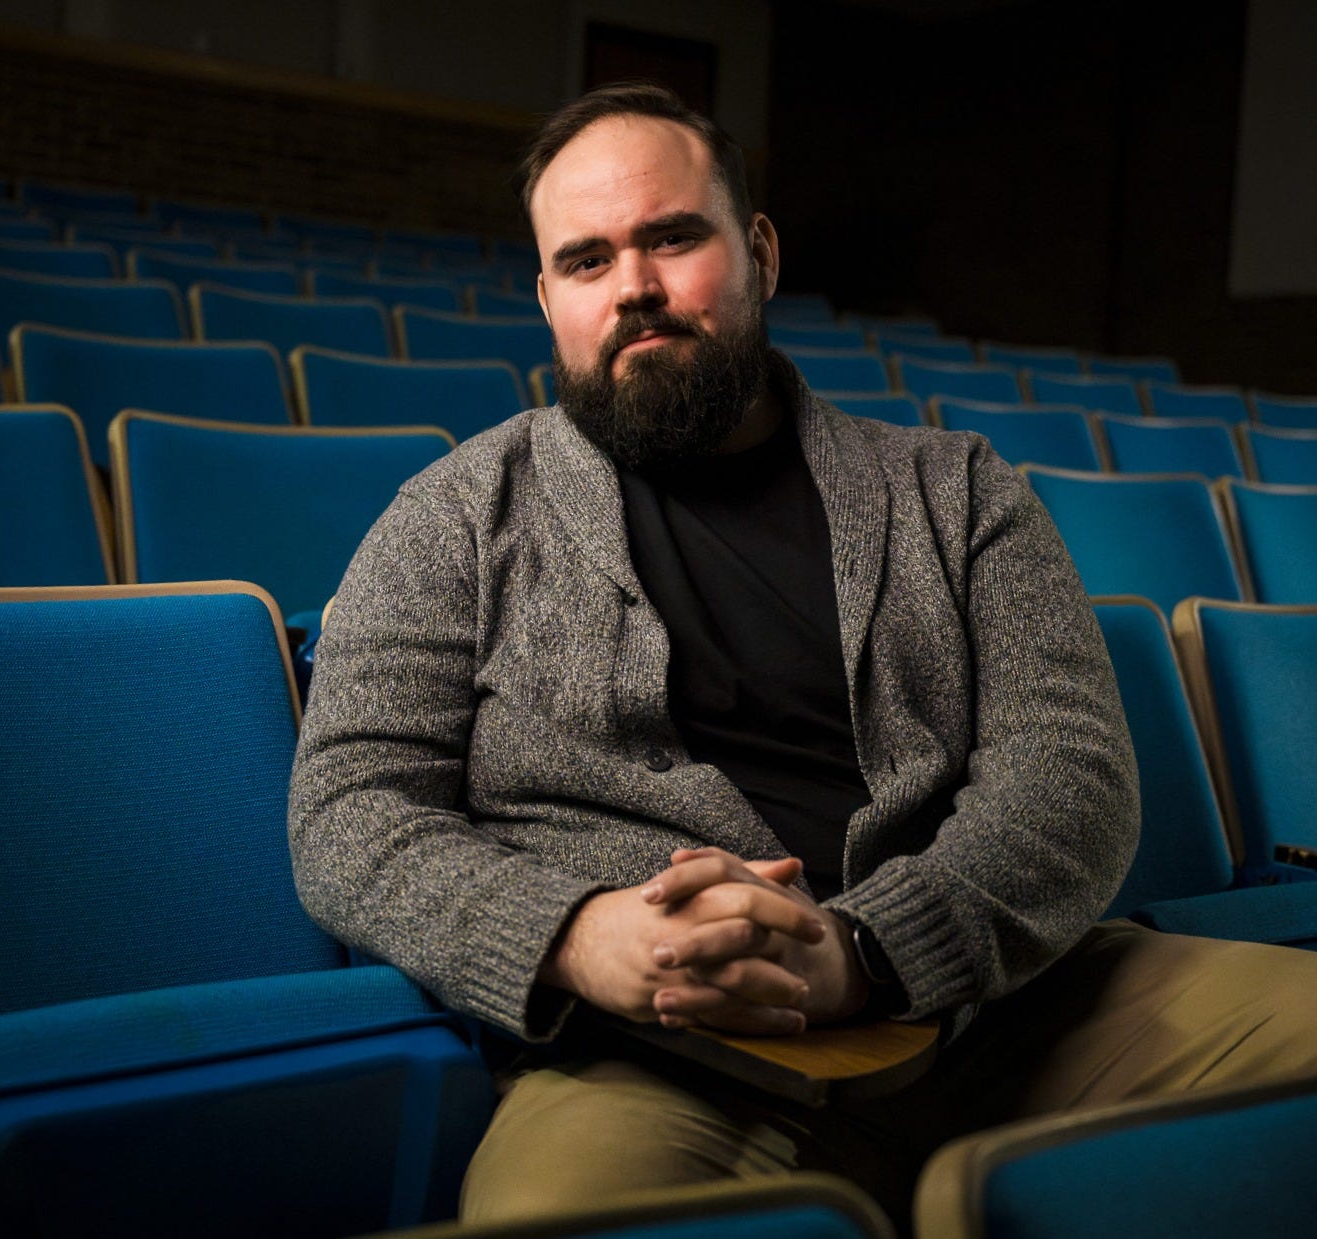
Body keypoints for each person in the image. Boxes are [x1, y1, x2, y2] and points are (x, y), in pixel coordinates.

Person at [289, 83, 1317, 1232]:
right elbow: (350, 809)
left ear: (760, 252)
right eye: (586, 262)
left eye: (673, 238)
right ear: (547, 299)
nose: (633, 288)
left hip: (1010, 1011)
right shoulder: (449, 519)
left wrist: (869, 951)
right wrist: (576, 936)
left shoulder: (956, 487)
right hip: (665, 1056)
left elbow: (1071, 775)